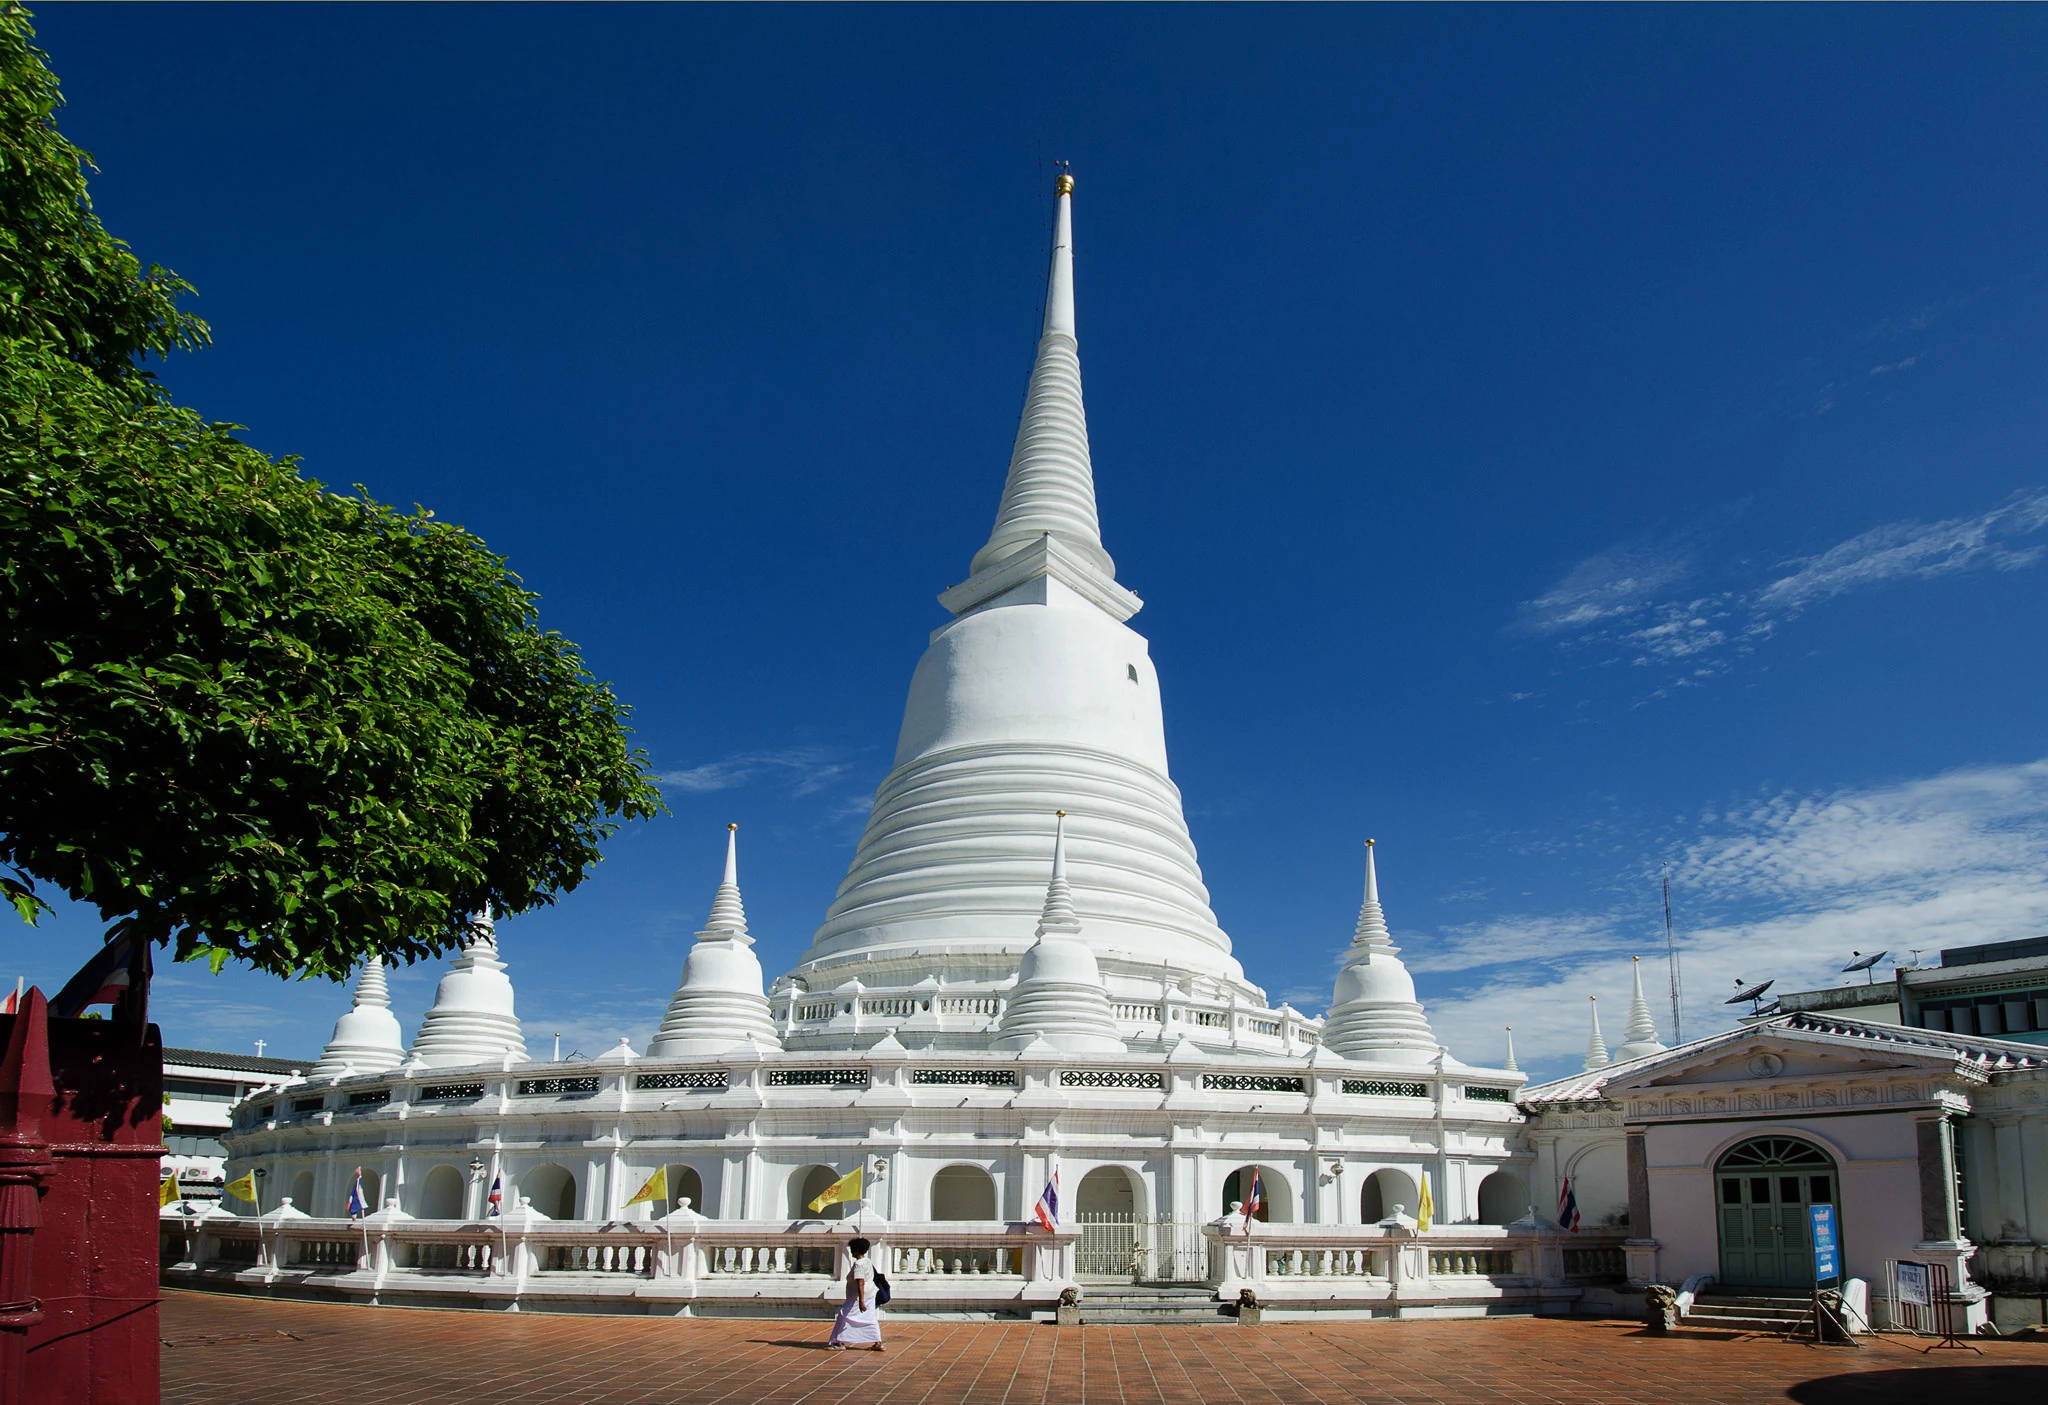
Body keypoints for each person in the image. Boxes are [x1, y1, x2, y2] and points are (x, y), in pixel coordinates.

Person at [827, 1236, 884, 1351]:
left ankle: (838, 1342)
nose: (851, 1252)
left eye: (852, 1249)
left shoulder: (859, 1264)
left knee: (843, 1316)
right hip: (870, 1294)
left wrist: (861, 1301)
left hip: (857, 1297)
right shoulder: (867, 1261)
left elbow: (860, 1282)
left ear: (856, 1250)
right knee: (870, 1318)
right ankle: (878, 1342)